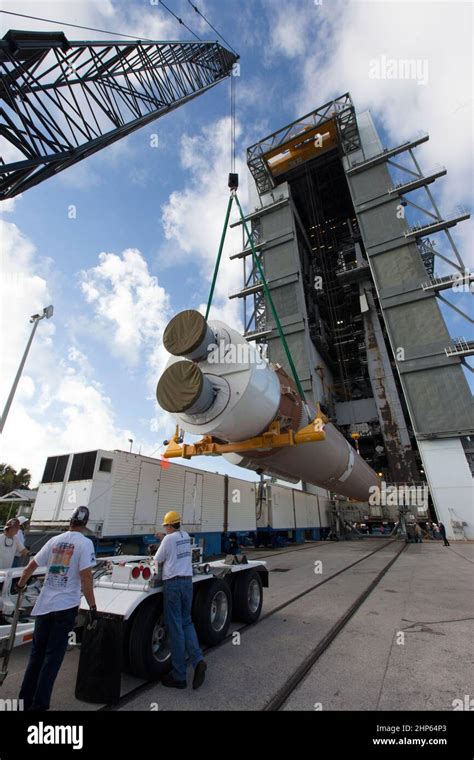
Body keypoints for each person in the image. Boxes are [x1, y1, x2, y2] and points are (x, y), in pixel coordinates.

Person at [16, 506, 97, 711]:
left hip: (44, 606)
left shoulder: (53, 541)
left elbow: (30, 567)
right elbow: (86, 577)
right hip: (65, 608)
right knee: (52, 659)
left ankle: (23, 702)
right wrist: (93, 606)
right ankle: (40, 705)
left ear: (70, 521)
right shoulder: (85, 544)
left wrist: (20, 586)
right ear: (85, 525)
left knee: (36, 656)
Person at [154, 510, 206, 690]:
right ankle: (198, 660)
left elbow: (157, 558)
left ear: (169, 525)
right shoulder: (185, 536)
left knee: (175, 628)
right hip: (187, 583)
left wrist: (161, 541)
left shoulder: (168, 539)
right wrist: (164, 539)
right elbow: (174, 546)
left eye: (165, 526)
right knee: (187, 622)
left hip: (173, 585)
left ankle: (179, 676)